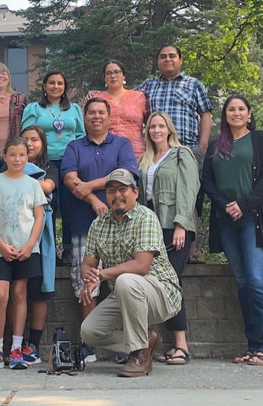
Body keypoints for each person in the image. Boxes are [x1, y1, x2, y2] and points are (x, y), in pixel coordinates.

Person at [201, 94, 263, 366]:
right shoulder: (216, 146)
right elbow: (208, 181)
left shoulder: (261, 141)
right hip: (226, 221)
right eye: (231, 109)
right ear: (225, 115)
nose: (236, 113)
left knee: (257, 281)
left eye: (241, 109)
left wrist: (243, 205)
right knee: (243, 283)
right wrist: (227, 206)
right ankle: (252, 347)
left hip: (255, 219)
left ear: (249, 113)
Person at [79, 168, 181, 377]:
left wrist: (101, 275)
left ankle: (141, 357)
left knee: (126, 280)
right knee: (89, 331)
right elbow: (87, 264)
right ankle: (146, 341)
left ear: (135, 192)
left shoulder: (146, 217)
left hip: (161, 292)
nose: (117, 195)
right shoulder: (99, 223)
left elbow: (141, 266)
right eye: (111, 190)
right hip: (125, 293)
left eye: (122, 189)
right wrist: (89, 276)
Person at [61, 97, 138, 363]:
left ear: (109, 116)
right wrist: (94, 200)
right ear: (84, 118)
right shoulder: (74, 146)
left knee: (124, 284)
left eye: (101, 112)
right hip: (84, 226)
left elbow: (126, 173)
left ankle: (125, 345)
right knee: (87, 283)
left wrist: (91, 186)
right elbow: (69, 178)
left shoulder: (121, 144)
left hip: (122, 226)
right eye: (91, 112)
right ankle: (88, 345)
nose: (96, 116)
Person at [136, 44, 213, 264]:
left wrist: (203, 145)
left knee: (192, 196)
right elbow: (129, 103)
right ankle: (157, 238)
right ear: (158, 61)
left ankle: (191, 245)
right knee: (159, 193)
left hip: (187, 149)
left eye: (172, 56)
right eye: (162, 56)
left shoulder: (193, 84)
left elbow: (205, 113)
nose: (167, 59)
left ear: (180, 60)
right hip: (158, 152)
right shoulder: (148, 86)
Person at [0, 137, 47, 370]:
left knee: (19, 294)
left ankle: (16, 348)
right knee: (1, 295)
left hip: (27, 249)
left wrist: (29, 246)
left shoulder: (33, 184)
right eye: (13, 154)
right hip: (1, 249)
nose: (17, 159)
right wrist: (0, 245)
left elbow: (40, 217)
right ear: (4, 156)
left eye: (22, 155)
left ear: (28, 157)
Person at [137, 111, 199, 365]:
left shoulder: (181, 154)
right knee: (153, 283)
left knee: (171, 281)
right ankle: (151, 342)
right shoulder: (145, 159)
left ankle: (181, 345)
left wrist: (181, 224)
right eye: (153, 126)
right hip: (153, 227)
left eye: (161, 126)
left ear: (169, 130)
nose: (157, 130)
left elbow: (189, 188)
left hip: (175, 225)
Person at [22, 70, 85, 266]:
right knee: (48, 204)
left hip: (69, 163)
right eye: (51, 83)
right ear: (44, 86)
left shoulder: (74, 109)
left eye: (60, 83)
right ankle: (43, 249)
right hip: (43, 164)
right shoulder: (34, 108)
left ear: (65, 87)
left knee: (69, 207)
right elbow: (27, 137)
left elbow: (80, 135)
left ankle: (68, 250)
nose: (55, 86)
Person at [19, 125, 58, 365]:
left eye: (35, 140)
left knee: (39, 292)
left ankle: (33, 344)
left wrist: (21, 178)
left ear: (43, 144)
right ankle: (15, 343)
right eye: (26, 140)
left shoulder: (49, 168)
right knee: (17, 290)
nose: (30, 144)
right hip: (14, 235)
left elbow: (49, 187)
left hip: (41, 236)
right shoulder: (7, 168)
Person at [86, 60, 148, 161]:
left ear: (123, 76)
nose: (113, 76)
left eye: (116, 72)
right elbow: (86, 127)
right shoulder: (96, 98)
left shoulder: (139, 97)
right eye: (108, 73)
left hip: (136, 154)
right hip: (105, 154)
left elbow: (151, 123)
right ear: (104, 78)